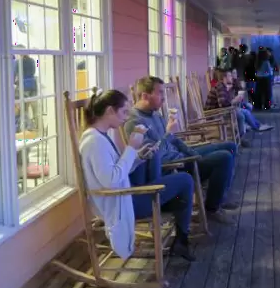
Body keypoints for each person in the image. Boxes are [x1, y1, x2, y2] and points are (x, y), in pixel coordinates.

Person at [79, 90, 196, 261]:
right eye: (124, 112)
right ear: (110, 111)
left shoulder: (100, 136)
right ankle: (181, 237)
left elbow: (118, 169)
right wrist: (131, 148)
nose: (126, 117)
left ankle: (176, 216)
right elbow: (111, 180)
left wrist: (139, 156)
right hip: (119, 203)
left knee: (153, 154)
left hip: (125, 192)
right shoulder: (94, 142)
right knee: (185, 180)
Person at [124, 76, 239, 225]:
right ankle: (212, 208)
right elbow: (152, 154)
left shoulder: (155, 113)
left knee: (230, 147)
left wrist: (193, 153)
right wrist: (168, 134)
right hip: (175, 166)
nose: (164, 98)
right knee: (224, 158)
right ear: (145, 96)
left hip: (183, 155)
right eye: (160, 93)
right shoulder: (134, 122)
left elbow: (174, 139)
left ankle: (219, 197)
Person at [206, 69, 273, 145]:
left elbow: (226, 101)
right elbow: (223, 104)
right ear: (224, 78)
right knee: (241, 115)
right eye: (230, 76)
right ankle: (242, 138)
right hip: (214, 114)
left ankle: (256, 127)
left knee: (244, 111)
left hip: (221, 110)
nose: (232, 77)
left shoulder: (223, 86)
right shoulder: (220, 87)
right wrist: (235, 100)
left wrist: (235, 99)